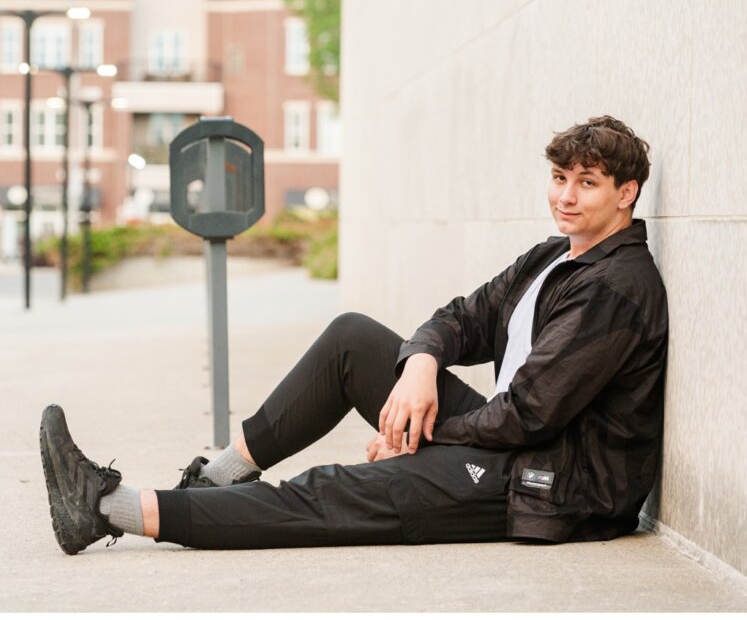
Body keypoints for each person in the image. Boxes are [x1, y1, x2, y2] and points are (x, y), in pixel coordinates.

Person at [39, 114, 669, 553]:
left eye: (587, 183)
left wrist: (409, 434)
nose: (566, 196)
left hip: (550, 484)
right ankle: (217, 480)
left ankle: (105, 510)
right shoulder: (553, 256)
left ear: (626, 193)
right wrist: (421, 364)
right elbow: (459, 318)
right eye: (560, 178)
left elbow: (528, 417)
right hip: (510, 443)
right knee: (353, 339)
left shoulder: (615, 289)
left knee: (335, 493)